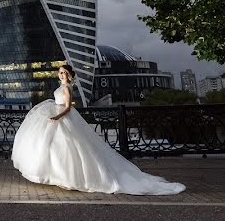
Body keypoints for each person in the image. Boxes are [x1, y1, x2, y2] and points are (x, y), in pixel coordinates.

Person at [11, 64, 185, 195]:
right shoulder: (60, 86)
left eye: (64, 72)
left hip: (63, 117)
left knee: (72, 148)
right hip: (55, 114)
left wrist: (57, 116)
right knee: (56, 147)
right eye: (60, 72)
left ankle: (72, 177)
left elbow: (68, 106)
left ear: (70, 75)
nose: (61, 74)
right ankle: (56, 175)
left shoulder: (67, 88)